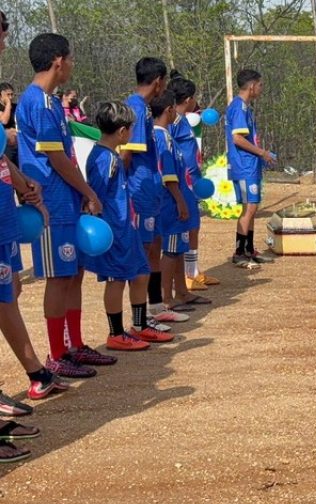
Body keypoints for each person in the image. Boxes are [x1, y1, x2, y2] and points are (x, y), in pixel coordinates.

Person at [18, 33, 113, 379]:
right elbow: (56, 158)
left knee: (73, 273)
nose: (72, 64)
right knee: (58, 277)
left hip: (66, 202)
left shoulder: (53, 103)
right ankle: (57, 353)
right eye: (70, 58)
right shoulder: (36, 103)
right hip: (51, 205)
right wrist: (89, 191)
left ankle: (74, 345)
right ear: (58, 60)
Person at [0, 12, 68, 462]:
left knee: (8, 291)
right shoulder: (33, 101)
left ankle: (38, 372)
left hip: (5, 209)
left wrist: (21, 178)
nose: (5, 41)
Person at [83, 101, 173, 350]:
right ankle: (115, 333)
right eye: (131, 128)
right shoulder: (104, 158)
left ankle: (140, 325)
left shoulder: (111, 156)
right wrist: (103, 226)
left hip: (126, 226)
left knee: (141, 272)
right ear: (122, 131)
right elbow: (95, 197)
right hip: (112, 229)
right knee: (116, 279)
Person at [121, 57, 186, 327]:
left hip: (149, 189)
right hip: (139, 191)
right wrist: (120, 188)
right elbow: (126, 154)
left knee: (154, 245)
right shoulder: (135, 108)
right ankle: (141, 316)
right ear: (158, 82)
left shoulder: (144, 109)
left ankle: (156, 305)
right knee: (144, 250)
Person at [153, 90, 211, 312]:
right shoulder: (160, 137)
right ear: (169, 110)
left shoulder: (167, 136)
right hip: (172, 204)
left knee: (179, 248)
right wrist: (179, 201)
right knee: (170, 251)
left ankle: (182, 292)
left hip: (181, 199)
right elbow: (169, 177)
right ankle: (166, 297)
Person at [168, 70, 220, 289]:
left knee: (194, 226)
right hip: (184, 183)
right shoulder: (172, 121)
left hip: (193, 180)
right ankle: (186, 276)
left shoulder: (182, 121)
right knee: (187, 228)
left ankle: (193, 270)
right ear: (188, 100)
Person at [226, 68, 275, 267]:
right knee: (249, 208)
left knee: (252, 208)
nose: (261, 89)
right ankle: (239, 253)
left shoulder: (247, 107)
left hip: (250, 165)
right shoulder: (239, 107)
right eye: (260, 85)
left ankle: (249, 249)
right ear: (252, 86)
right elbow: (237, 138)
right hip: (244, 165)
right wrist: (261, 152)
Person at [0, 81, 17, 165]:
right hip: (5, 144)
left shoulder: (16, 107)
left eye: (11, 94)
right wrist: (8, 104)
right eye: (7, 95)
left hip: (17, 142)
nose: (10, 97)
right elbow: (4, 120)